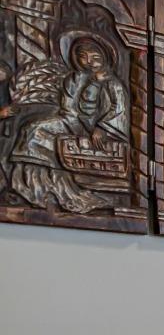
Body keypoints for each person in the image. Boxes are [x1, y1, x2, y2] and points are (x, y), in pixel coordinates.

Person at [0, 30, 126, 214]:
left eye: (95, 56)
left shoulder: (112, 83)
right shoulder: (73, 79)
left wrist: (100, 127)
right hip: (70, 121)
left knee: (37, 132)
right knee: (31, 129)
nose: (89, 61)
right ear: (75, 59)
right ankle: (30, 186)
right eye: (83, 57)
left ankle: (48, 187)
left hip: (95, 130)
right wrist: (68, 120)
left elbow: (118, 110)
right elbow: (68, 107)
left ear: (104, 57)